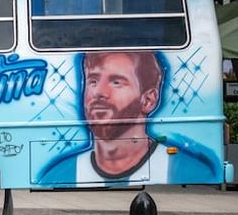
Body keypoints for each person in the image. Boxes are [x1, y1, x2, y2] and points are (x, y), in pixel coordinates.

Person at [38, 51, 219, 184]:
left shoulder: (188, 170)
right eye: (93, 81)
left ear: (148, 100)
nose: (99, 92)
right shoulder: (57, 175)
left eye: (116, 82)